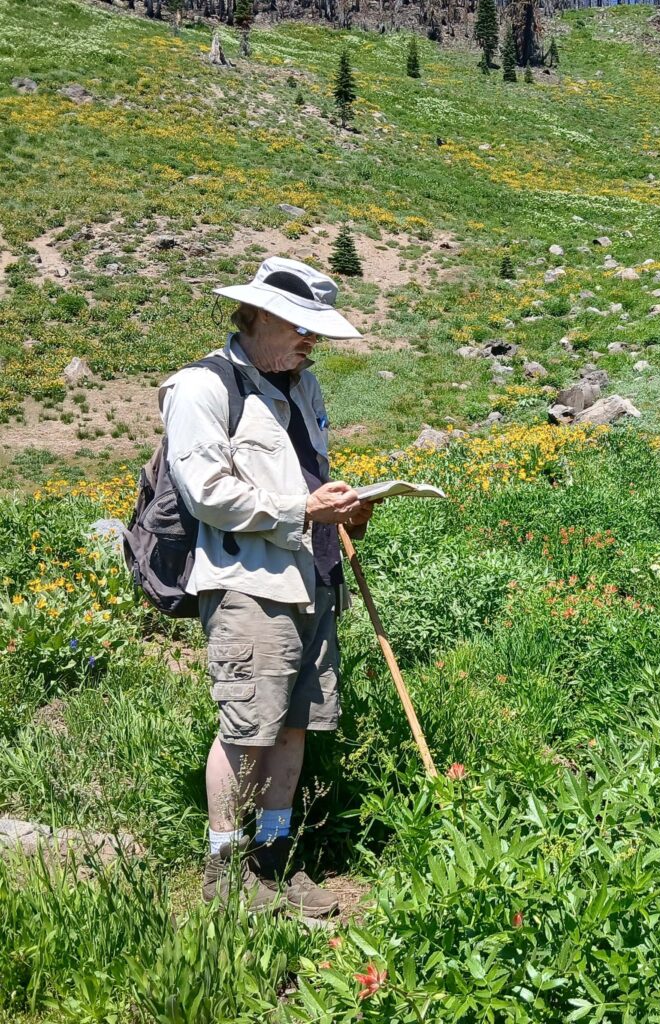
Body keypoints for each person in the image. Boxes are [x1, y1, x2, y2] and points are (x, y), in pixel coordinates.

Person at [159, 256, 376, 916]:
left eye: (316, 331)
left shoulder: (302, 386)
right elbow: (209, 495)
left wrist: (345, 507)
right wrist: (304, 511)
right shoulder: (200, 387)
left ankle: (275, 857)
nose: (310, 343)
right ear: (258, 315)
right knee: (247, 728)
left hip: (312, 577)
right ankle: (223, 867)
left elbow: (308, 476)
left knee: (294, 727)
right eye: (301, 328)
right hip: (246, 583)